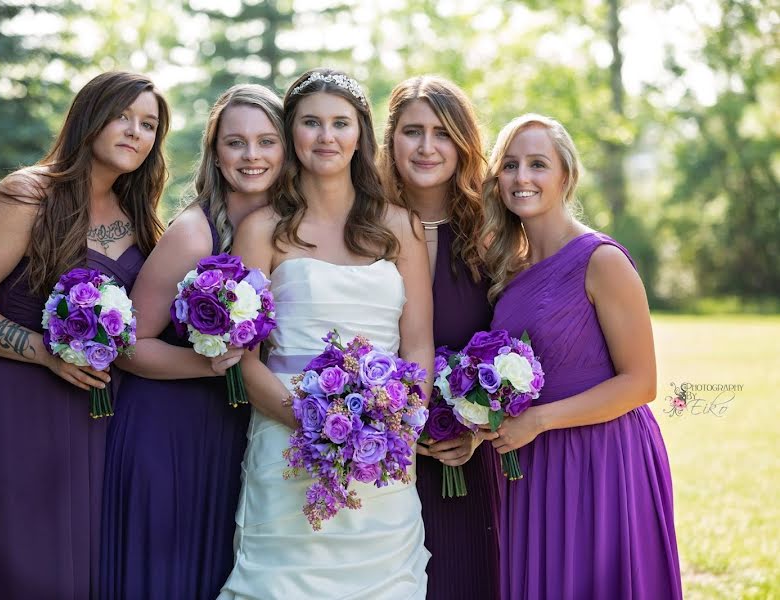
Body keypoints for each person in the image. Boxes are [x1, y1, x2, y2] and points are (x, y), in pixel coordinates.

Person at [0, 71, 170, 599]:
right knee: (24, 570)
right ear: (89, 118)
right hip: (18, 407)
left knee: (85, 575)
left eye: (149, 124)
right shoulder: (26, 195)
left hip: (103, 418)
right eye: (122, 117)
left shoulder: (140, 217)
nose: (135, 131)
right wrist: (46, 352)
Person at [218, 68, 434, 599]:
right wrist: (310, 423)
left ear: (360, 133)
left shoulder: (399, 226)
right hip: (285, 442)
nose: (326, 136)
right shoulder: (262, 229)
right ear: (292, 133)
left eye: (340, 123)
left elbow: (419, 344)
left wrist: (393, 427)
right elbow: (242, 355)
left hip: (381, 454)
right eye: (311, 123)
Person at [482, 113, 682, 599]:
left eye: (537, 164)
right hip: (535, 462)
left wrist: (541, 420)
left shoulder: (601, 260)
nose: (522, 178)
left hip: (603, 459)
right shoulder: (508, 268)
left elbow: (641, 383)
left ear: (566, 176)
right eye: (510, 165)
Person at [98, 84, 285, 600]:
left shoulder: (297, 229)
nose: (252, 156)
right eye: (236, 143)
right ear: (215, 152)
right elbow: (130, 345)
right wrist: (211, 364)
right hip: (170, 430)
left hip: (240, 429)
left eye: (267, 141)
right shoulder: (195, 234)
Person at [380, 74, 500, 600]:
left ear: (463, 144)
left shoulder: (492, 235)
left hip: (466, 460)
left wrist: (478, 428)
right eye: (412, 131)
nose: (427, 147)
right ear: (390, 140)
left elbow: (520, 346)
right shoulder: (366, 231)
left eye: (442, 132)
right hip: (377, 455)